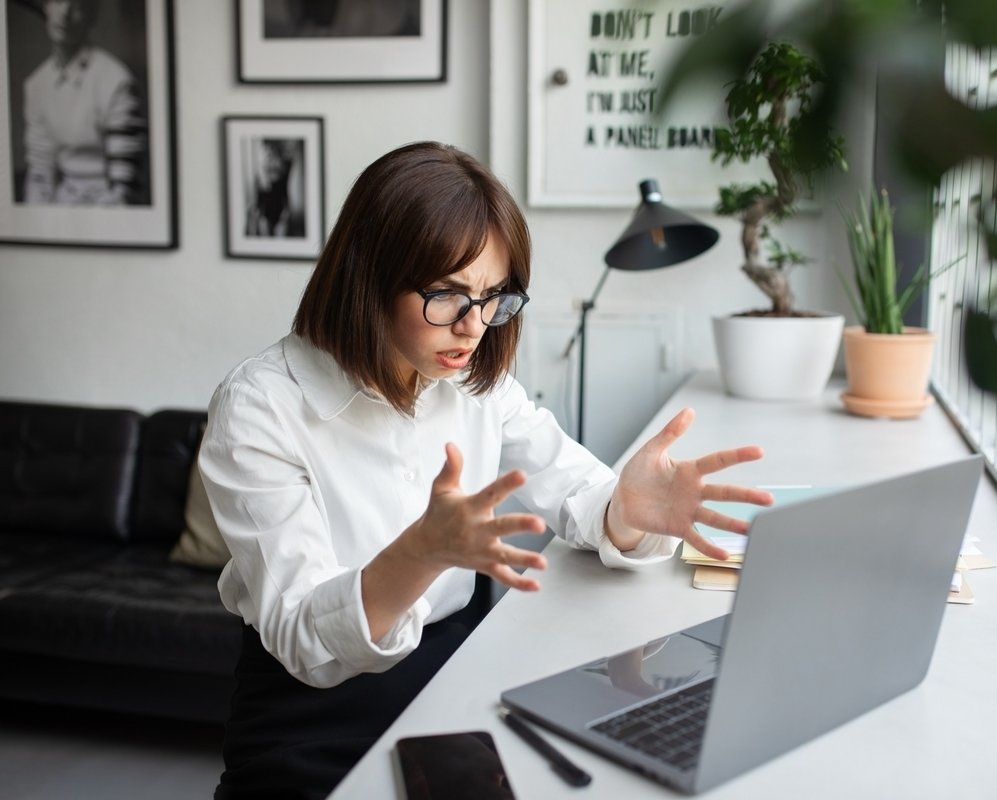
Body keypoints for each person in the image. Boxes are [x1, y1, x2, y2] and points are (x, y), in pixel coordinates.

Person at [200, 141, 772, 799]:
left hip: (456, 669)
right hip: (312, 713)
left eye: (494, 296)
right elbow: (302, 636)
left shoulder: (474, 382)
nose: (474, 327)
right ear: (369, 274)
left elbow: (575, 489)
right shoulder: (260, 406)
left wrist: (627, 510)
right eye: (446, 295)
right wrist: (419, 554)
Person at [20, 0, 148, 206]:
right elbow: (39, 174)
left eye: (77, 5)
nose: (65, 13)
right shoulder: (37, 84)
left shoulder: (116, 81)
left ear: (91, 16)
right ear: (46, 8)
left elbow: (123, 190)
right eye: (57, 1)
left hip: (107, 210)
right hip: (62, 209)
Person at [244, 138, 305, 238]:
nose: (270, 162)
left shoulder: (284, 170)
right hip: (273, 206)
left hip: (278, 207)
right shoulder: (265, 178)